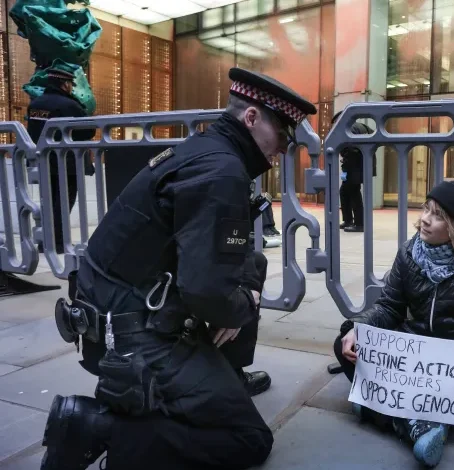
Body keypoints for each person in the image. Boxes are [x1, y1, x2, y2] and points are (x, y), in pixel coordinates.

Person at [41, 68, 317, 470]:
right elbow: (206, 292)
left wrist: (236, 295)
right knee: (248, 439)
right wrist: (244, 304)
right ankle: (98, 430)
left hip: (114, 308)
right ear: (252, 118)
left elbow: (215, 264)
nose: (283, 149)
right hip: (130, 335)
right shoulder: (221, 172)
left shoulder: (206, 150)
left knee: (250, 265)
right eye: (283, 135)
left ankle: (221, 377)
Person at [333, 180, 454, 467]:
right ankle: (419, 421)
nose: (424, 220)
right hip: (412, 356)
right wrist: (358, 328)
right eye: (426, 209)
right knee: (345, 344)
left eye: (438, 215)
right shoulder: (409, 253)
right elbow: (389, 306)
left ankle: (386, 410)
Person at [26, 67, 96, 254]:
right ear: (64, 84)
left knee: (47, 202)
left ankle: (45, 242)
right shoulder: (70, 105)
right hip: (67, 163)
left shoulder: (36, 104)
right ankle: (59, 243)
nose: (72, 88)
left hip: (43, 161)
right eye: (70, 84)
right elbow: (89, 130)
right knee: (63, 203)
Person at [331, 111, 374, 233]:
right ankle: (349, 220)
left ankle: (359, 223)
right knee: (345, 191)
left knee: (353, 193)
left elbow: (350, 147)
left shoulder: (349, 128)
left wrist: (344, 155)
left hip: (353, 167)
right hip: (362, 165)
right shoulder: (362, 126)